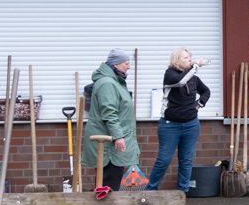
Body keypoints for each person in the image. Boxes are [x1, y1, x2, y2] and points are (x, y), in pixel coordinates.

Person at [147, 47, 211, 192]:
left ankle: (182, 192)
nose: (190, 60)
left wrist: (199, 104)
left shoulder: (194, 78)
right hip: (170, 126)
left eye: (190, 58)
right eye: (186, 58)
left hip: (191, 125)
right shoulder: (170, 74)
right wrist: (195, 66)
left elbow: (206, 91)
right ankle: (150, 190)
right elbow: (181, 81)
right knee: (163, 160)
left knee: (186, 160)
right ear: (177, 60)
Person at [81, 48, 139, 196]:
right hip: (108, 146)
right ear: (116, 64)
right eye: (126, 63)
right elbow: (109, 112)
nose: (129, 66)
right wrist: (118, 136)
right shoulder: (107, 83)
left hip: (113, 143)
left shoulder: (114, 81)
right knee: (108, 185)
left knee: (111, 183)